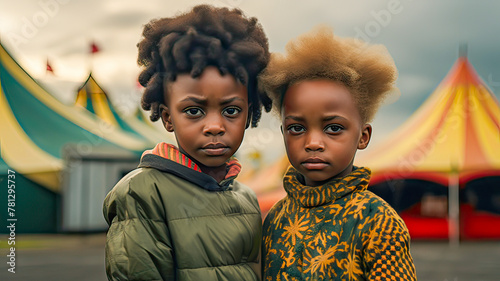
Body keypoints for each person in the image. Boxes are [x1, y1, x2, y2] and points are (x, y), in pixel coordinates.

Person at [103, 5, 272, 281]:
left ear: (249, 114)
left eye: (231, 111)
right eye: (194, 111)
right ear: (168, 118)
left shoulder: (246, 198)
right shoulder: (142, 193)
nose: (215, 126)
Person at [258, 26, 417, 280]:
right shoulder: (275, 218)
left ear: (362, 137)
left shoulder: (378, 222)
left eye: (333, 128)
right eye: (297, 128)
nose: (313, 143)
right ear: (283, 132)